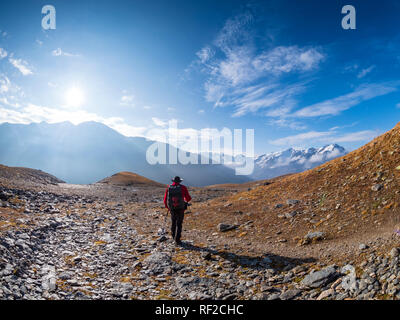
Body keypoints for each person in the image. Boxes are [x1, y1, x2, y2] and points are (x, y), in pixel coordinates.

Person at [163, 176, 191, 245]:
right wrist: (184, 201)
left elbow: (165, 199)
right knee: (179, 223)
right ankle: (177, 240)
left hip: (172, 208)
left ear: (173, 181)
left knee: (173, 222)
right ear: (180, 181)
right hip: (181, 209)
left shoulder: (169, 187)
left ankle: (173, 236)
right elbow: (188, 198)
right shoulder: (183, 187)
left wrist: (168, 207)